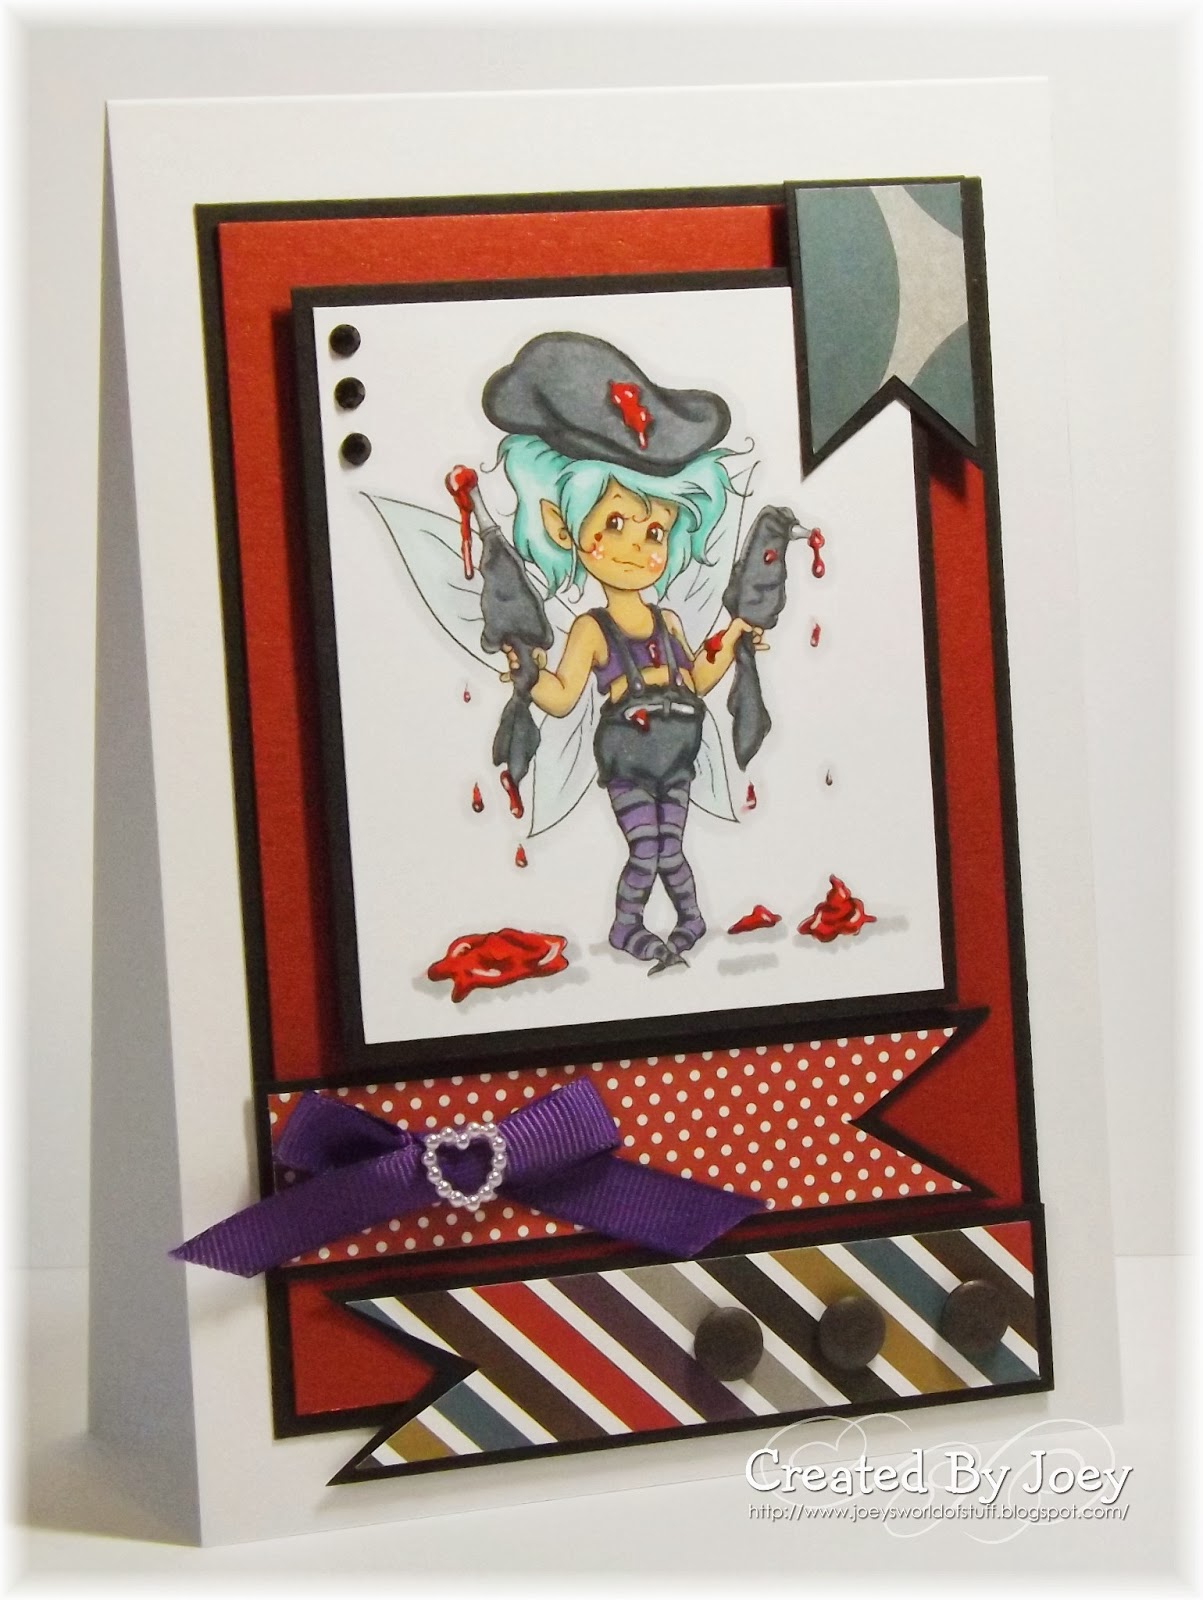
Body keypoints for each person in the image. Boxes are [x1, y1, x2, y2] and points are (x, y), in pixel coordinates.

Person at [487, 332, 767, 972]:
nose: (641, 546)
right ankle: (626, 926)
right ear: (563, 528)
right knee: (647, 848)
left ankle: (690, 920)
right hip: (628, 754)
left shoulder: (668, 620)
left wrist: (734, 635)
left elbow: (697, 678)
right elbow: (562, 698)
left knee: (673, 848)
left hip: (679, 748)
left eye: (656, 529)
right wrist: (525, 672)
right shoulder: (592, 630)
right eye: (615, 523)